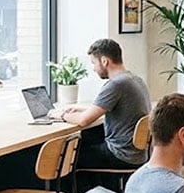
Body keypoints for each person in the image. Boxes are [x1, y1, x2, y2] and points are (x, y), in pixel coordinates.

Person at [52, 38, 151, 171]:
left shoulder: (116, 84)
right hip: (137, 154)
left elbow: (84, 120)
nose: (94, 69)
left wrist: (61, 115)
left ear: (104, 61)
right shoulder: (135, 79)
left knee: (64, 157)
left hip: (120, 155)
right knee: (88, 137)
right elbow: (113, 108)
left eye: (94, 63)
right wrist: (80, 108)